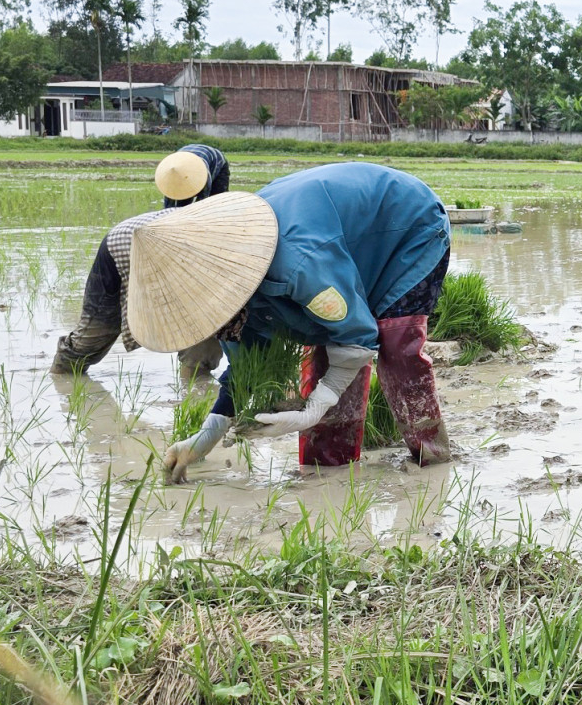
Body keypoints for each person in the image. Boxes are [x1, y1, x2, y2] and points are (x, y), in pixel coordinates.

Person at [124, 162, 455, 482]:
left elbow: (357, 335)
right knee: (327, 352)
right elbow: (246, 365)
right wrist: (207, 434)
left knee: (397, 346)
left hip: (408, 225)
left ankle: (432, 459)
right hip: (339, 243)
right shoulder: (228, 292)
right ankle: (329, 469)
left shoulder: (298, 264)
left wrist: (315, 408)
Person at [52, 145, 233, 378]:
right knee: (96, 332)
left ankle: (195, 383)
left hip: (175, 235)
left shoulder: (211, 176)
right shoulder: (179, 180)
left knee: (204, 325)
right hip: (120, 245)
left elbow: (214, 203)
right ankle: (62, 371)